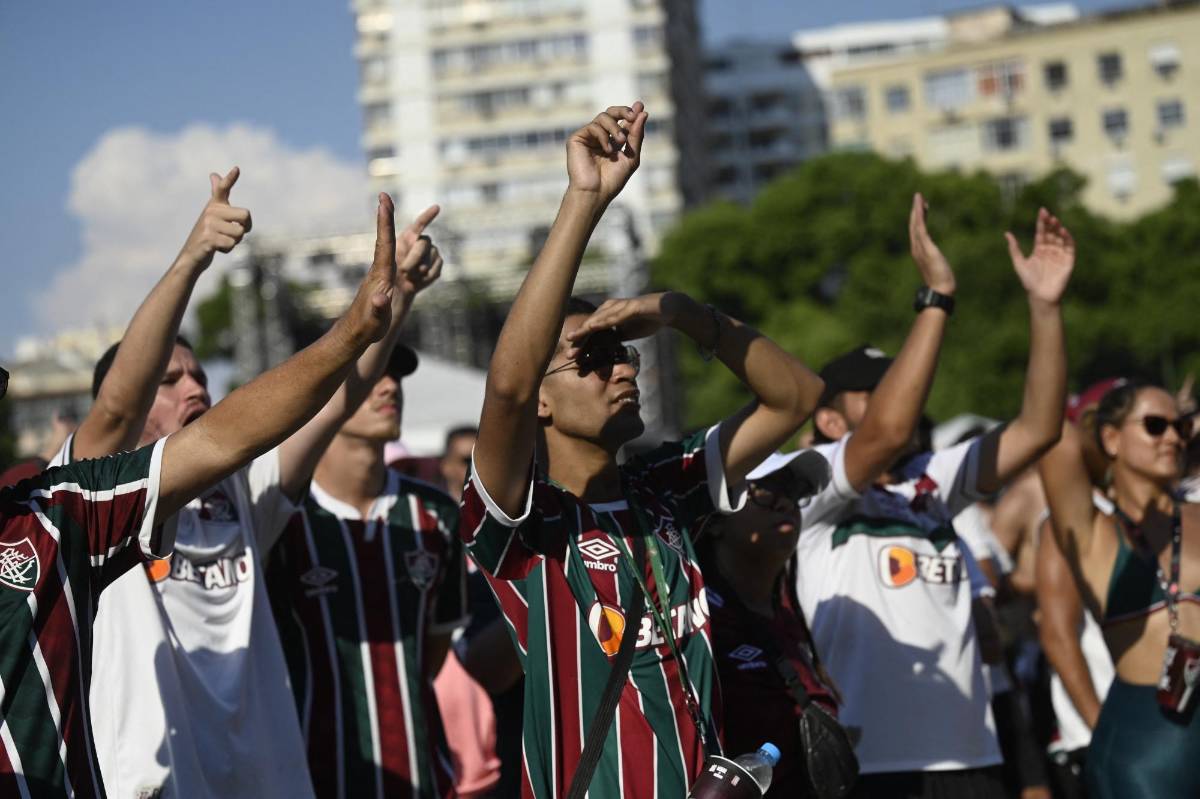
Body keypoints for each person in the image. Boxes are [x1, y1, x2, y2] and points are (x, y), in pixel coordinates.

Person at [460, 102, 825, 798]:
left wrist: (682, 314)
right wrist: (585, 200)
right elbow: (508, 385)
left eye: (623, 354)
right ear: (542, 402)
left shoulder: (669, 489)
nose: (622, 370)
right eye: (592, 360)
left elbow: (796, 397)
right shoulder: (526, 523)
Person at [0, 189, 407, 797]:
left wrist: (376, 314)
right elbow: (119, 409)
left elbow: (312, 408)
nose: (195, 387)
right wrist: (193, 256)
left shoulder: (239, 493)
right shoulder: (78, 500)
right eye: (169, 379)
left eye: (199, 375)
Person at [793, 201, 1074, 799]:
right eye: (874, 393)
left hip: (972, 755)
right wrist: (936, 299)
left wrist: (1045, 307)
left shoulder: (930, 480)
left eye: (903, 385)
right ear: (828, 420)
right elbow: (886, 432)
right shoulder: (807, 480)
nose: (904, 397)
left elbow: (1039, 429)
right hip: (872, 767)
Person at [267, 330, 471, 797]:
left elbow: (431, 654)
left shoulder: (436, 514)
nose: (390, 386)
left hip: (423, 778)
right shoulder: (280, 517)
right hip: (310, 780)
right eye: (374, 372)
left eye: (395, 375)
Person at [1039, 378, 1200, 797]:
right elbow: (1048, 431)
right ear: (1111, 438)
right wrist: (1094, 723)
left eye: (1181, 427)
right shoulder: (1091, 532)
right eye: (1155, 425)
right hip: (1145, 748)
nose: (1172, 437)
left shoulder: (1196, 515)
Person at [698, 449, 838, 797]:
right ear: (714, 520)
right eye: (764, 491)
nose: (785, 503)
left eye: (793, 492)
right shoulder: (698, 618)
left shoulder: (788, 611)